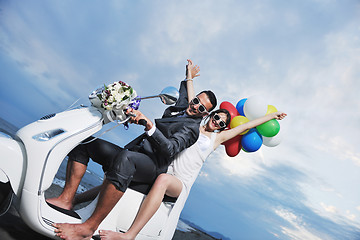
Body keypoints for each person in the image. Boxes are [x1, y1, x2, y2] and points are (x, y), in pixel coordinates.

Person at [51, 59, 217, 240]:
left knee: (126, 159)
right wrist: (189, 76)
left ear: (205, 114)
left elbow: (170, 149)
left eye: (200, 108)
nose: (194, 106)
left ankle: (89, 227)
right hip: (135, 152)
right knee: (87, 143)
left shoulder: (191, 130)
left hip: (152, 166)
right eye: (195, 101)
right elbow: (185, 91)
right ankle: (66, 199)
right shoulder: (184, 106)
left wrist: (148, 124)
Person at [97, 110, 287, 240]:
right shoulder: (192, 126)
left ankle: (129, 235)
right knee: (125, 174)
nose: (218, 121)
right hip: (165, 171)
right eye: (217, 117)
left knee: (163, 180)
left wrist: (272, 116)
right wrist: (190, 77)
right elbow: (194, 99)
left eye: (222, 123)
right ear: (210, 115)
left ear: (222, 127)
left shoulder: (216, 138)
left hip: (180, 183)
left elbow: (246, 126)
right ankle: (76, 203)